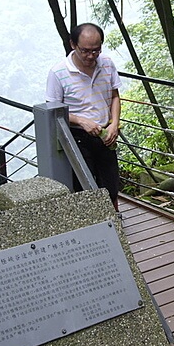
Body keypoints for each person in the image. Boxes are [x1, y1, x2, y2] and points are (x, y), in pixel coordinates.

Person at [45, 22, 122, 211]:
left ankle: (114, 224)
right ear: (73, 44)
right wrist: (81, 120)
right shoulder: (58, 73)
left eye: (96, 50)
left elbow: (115, 96)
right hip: (77, 136)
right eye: (85, 51)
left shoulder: (107, 64)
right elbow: (52, 109)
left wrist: (114, 124)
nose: (91, 56)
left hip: (105, 134)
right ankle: (91, 227)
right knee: (84, 187)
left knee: (111, 184)